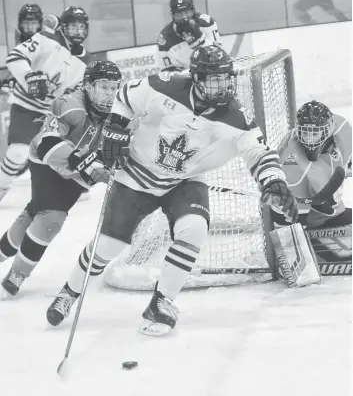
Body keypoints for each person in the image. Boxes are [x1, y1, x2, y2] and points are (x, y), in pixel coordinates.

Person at [46, 45, 298, 335]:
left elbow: (259, 153)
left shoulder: (237, 116)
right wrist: (116, 126)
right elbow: (126, 97)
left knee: (194, 229)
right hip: (137, 175)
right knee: (108, 248)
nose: (223, 86)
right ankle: (69, 292)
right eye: (214, 79)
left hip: (185, 181)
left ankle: (162, 302)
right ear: (197, 79)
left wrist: (274, 181)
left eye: (226, 78)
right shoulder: (164, 86)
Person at [0, 61, 122, 298]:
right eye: (103, 87)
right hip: (49, 161)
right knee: (51, 217)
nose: (109, 93)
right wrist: (82, 160)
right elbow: (47, 143)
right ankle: (17, 275)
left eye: (113, 87)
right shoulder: (69, 105)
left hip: (79, 172)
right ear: (87, 86)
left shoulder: (120, 111)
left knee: (34, 212)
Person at [0, 6, 91, 203]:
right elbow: (15, 57)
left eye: (81, 28)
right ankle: (2, 186)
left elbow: (75, 92)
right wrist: (29, 76)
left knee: (63, 148)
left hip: (51, 113)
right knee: (18, 153)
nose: (77, 32)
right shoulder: (46, 38)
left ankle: (71, 180)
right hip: (26, 105)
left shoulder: (85, 62)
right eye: (73, 27)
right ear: (63, 27)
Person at [271, 100, 352, 260]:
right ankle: (318, 249)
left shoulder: (342, 127)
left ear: (329, 129)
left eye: (314, 133)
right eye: (305, 132)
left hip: (331, 212)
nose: (308, 139)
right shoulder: (293, 167)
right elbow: (285, 227)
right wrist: (294, 258)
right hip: (310, 223)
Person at [157, 0, 222, 72]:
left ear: (193, 10)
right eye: (179, 14)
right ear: (172, 15)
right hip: (185, 80)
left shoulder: (207, 23)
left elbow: (219, 57)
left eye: (187, 12)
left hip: (210, 73)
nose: (184, 17)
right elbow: (167, 73)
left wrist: (201, 42)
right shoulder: (165, 38)